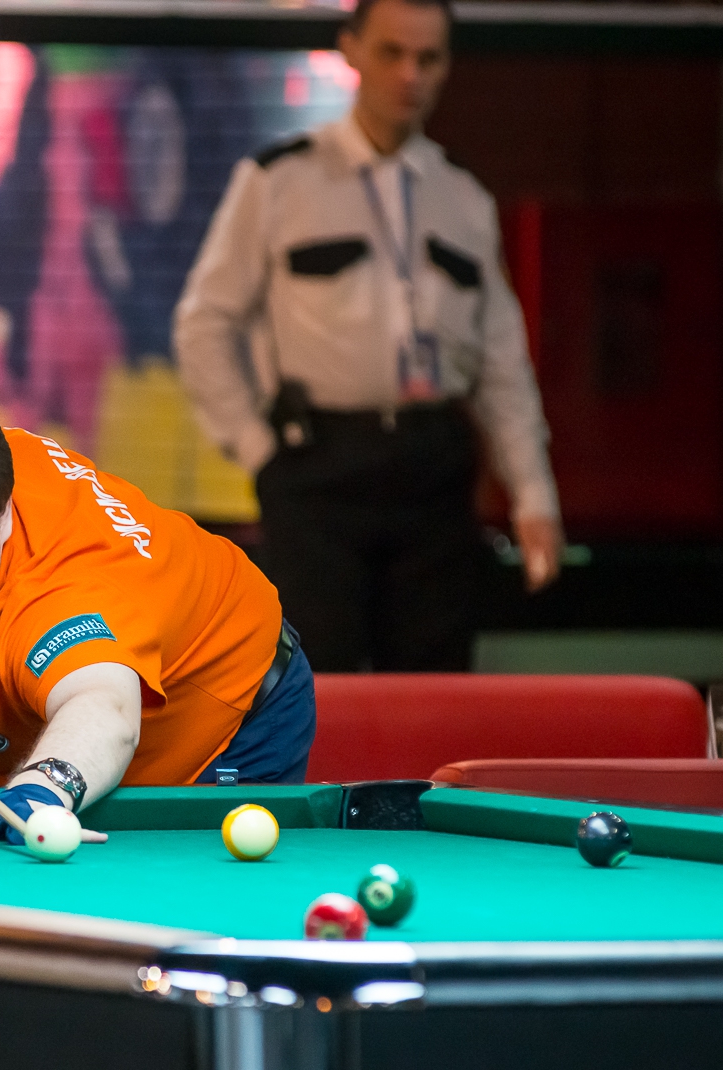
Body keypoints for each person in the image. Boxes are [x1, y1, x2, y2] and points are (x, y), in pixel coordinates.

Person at [172, 0, 561, 673]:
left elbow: (502, 361)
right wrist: (258, 450)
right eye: (391, 53)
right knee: (320, 686)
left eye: (428, 58)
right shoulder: (280, 180)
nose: (410, 74)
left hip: (434, 467)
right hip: (317, 469)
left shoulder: (463, 196)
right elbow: (203, 323)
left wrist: (532, 493)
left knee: (435, 687)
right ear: (350, 50)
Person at [0, 348, 314, 844]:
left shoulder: (55, 598)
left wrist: (42, 791)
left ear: (1, 519)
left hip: (224, 703)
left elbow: (104, 709)